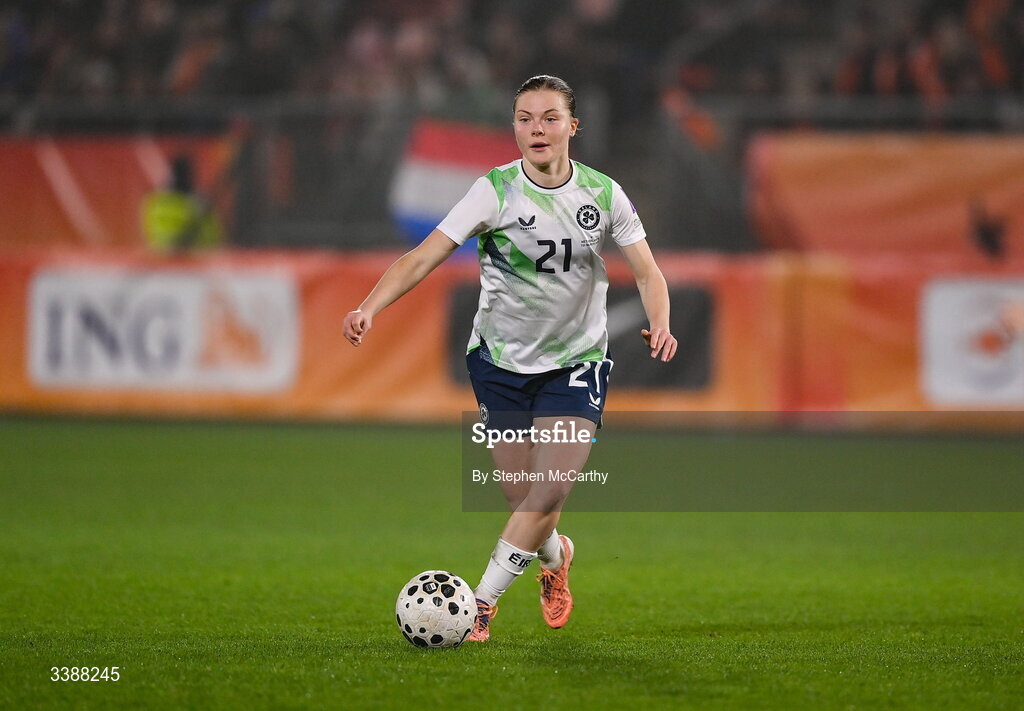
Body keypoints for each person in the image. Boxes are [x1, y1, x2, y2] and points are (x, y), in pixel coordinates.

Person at [343, 75, 677, 642]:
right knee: (522, 498)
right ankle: (555, 557)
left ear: (572, 126)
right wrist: (369, 306)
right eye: (524, 118)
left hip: (576, 362)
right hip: (499, 363)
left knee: (549, 489)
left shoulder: (603, 194)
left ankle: (478, 606)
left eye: (549, 118)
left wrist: (661, 321)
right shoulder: (492, 192)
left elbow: (646, 270)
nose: (536, 129)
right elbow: (422, 257)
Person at [142, 155, 223, 252]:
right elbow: (176, 244)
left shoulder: (156, 203)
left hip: (171, 261)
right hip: (185, 261)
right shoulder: (197, 204)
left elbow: (215, 238)